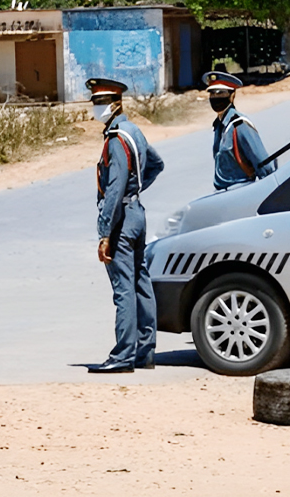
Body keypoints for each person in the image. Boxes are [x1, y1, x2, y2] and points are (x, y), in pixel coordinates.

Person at [87, 78, 164, 373]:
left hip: (121, 217)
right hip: (137, 214)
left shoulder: (117, 138)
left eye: (101, 103)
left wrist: (105, 233)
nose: (97, 108)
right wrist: (139, 187)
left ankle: (123, 356)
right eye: (94, 102)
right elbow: (156, 164)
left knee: (124, 289)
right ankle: (145, 351)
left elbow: (115, 189)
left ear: (116, 103)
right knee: (140, 283)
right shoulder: (134, 131)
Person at [203, 71, 277, 190]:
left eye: (221, 93)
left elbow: (264, 165)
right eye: (212, 94)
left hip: (239, 191)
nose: (216, 98)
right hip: (222, 193)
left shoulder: (240, 125)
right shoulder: (219, 126)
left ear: (232, 96)